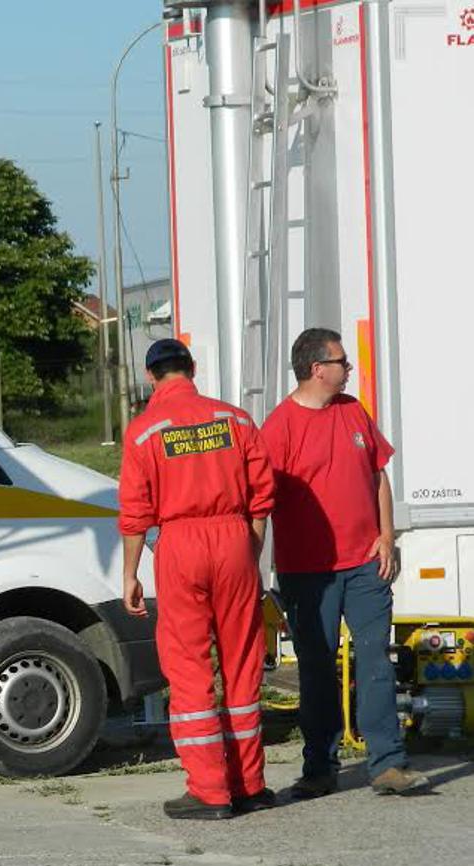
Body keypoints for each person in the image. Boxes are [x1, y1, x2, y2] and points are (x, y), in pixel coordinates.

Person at [260, 328, 428, 797]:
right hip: (307, 573)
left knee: (375, 659)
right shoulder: (279, 428)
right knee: (317, 668)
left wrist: (386, 536)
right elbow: (260, 501)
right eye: (341, 361)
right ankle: (319, 769)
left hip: (364, 564)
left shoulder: (352, 410)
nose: (348, 368)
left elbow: (378, 476)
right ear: (317, 369)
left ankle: (388, 765)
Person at [120, 338, 276, 820]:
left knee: (189, 666)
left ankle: (209, 791)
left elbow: (135, 514)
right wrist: (248, 552)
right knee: (242, 661)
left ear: (150, 377)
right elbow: (262, 497)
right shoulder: (235, 420)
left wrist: (130, 575)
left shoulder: (144, 432)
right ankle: (250, 784)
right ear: (192, 368)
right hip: (234, 539)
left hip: (181, 544)